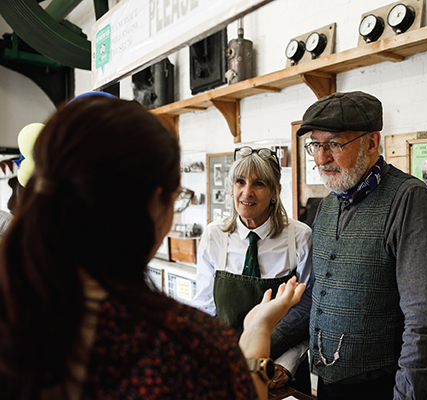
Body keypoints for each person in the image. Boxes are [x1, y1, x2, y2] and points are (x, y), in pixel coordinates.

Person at [0, 96, 304, 400]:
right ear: (154, 203)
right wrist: (256, 337)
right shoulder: (178, 345)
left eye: (259, 184)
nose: (247, 193)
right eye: (176, 195)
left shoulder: (17, 306)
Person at [272, 91, 427, 399]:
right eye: (315, 144)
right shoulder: (327, 206)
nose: (320, 158)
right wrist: (253, 344)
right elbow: (316, 297)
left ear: (372, 142)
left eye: (333, 144)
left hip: (382, 388)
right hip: (328, 386)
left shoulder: (409, 199)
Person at [192, 146, 313, 393]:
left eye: (258, 183)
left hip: (282, 372)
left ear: (275, 192)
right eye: (240, 182)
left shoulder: (299, 237)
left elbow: (307, 312)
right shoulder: (214, 236)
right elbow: (204, 310)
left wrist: (285, 365)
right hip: (228, 366)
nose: (246, 192)